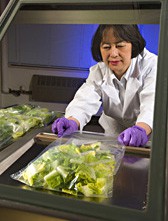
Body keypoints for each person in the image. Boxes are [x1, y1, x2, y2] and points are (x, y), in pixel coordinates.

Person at [52, 24, 158, 147]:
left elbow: (152, 103)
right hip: (113, 134)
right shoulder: (100, 70)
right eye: (107, 47)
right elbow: (85, 99)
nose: (113, 54)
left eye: (120, 46)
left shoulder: (152, 66)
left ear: (133, 46)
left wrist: (141, 129)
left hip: (148, 136)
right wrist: (72, 120)